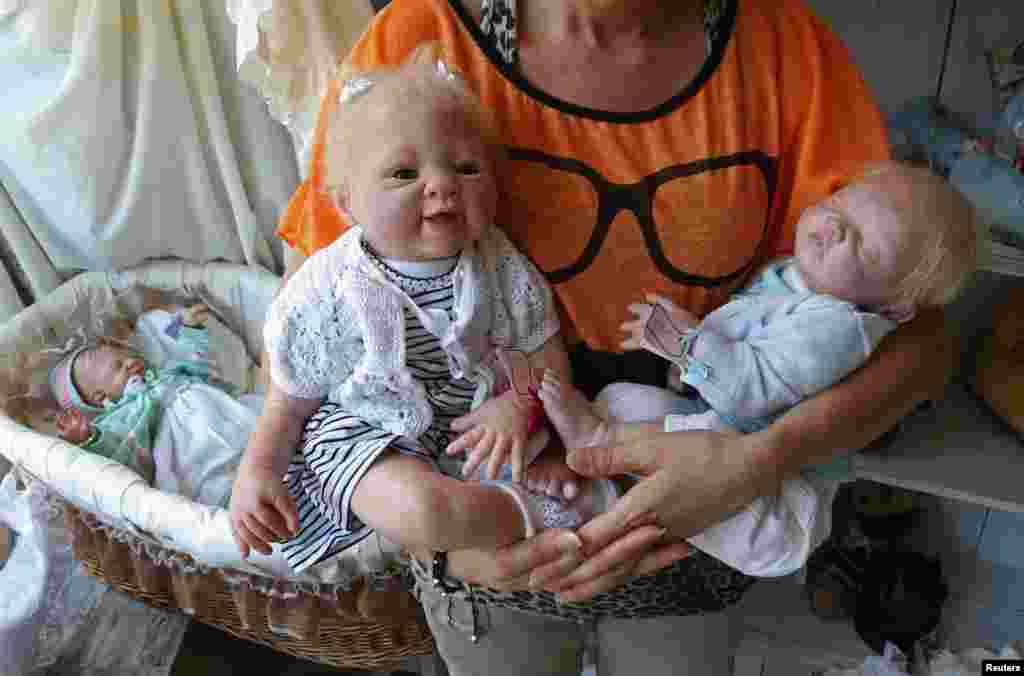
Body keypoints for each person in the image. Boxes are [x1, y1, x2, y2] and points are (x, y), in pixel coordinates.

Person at [247, 0, 954, 673]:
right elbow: (306, 341)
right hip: (488, 530)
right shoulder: (424, 37)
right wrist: (440, 537)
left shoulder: (785, 51)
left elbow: (918, 337)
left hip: (693, 535)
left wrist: (757, 462)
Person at [228, 56, 620, 574]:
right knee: (422, 509)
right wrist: (257, 471)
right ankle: (540, 516)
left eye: (466, 167)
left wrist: (521, 404)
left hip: (471, 427)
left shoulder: (498, 262)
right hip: (364, 431)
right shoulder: (328, 288)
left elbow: (541, 349)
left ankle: (504, 513)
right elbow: (289, 402)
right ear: (347, 204)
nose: (442, 184)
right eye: (404, 173)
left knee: (542, 437)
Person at [537, 161, 980, 578]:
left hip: (781, 502)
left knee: (755, 521)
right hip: (723, 438)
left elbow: (750, 389)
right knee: (617, 400)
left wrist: (688, 346)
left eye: (863, 244)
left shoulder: (837, 324)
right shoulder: (801, 276)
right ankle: (600, 467)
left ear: (893, 307)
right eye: (841, 203)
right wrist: (684, 364)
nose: (835, 228)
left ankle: (599, 460)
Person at [48, 303, 261, 508]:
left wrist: (186, 327)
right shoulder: (125, 414)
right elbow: (120, 454)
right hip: (194, 452)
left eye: (125, 356)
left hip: (231, 421)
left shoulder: (163, 372)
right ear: (100, 397)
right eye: (119, 367)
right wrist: (91, 438)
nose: (131, 361)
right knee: (219, 478)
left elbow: (197, 364)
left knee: (265, 435)